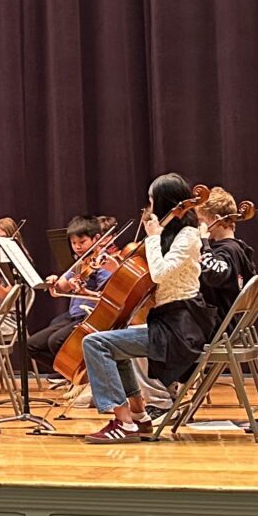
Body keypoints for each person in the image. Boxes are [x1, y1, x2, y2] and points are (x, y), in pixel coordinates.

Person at [83, 177, 211, 444]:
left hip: (180, 328)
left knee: (94, 343)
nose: (150, 208)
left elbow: (161, 273)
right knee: (112, 344)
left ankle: (123, 421)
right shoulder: (173, 236)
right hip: (169, 321)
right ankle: (139, 416)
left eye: (153, 201)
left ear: (165, 202)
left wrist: (152, 238)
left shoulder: (188, 236)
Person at [28, 216, 109, 375]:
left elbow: (106, 296)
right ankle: (73, 374)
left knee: (56, 341)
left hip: (91, 316)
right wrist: (54, 282)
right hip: (74, 315)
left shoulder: (103, 262)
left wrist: (85, 292)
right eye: (73, 243)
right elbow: (62, 286)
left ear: (97, 238)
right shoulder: (80, 263)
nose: (77, 247)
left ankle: (84, 376)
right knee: (33, 345)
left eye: (82, 242)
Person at [197, 188, 257, 332]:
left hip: (216, 328)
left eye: (201, 221)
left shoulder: (228, 251)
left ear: (217, 219)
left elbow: (213, 274)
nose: (198, 226)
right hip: (229, 327)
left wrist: (204, 242)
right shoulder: (239, 249)